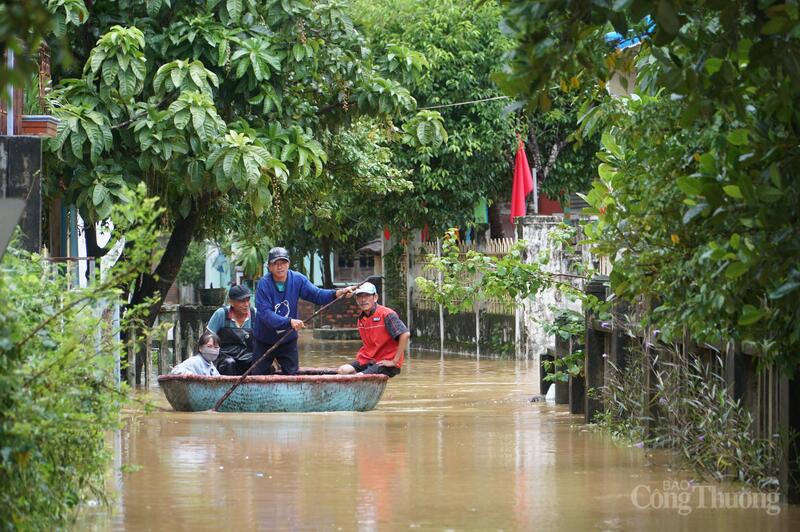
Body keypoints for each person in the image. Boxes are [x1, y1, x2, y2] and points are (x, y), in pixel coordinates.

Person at [251, 246, 354, 375]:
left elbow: (316, 295)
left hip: (287, 339)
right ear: (269, 267)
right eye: (275, 263)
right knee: (257, 377)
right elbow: (265, 314)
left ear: (289, 263)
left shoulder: (297, 279)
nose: (280, 267)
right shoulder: (264, 284)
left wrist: (338, 293)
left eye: (283, 263)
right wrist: (289, 322)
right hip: (264, 339)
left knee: (292, 376)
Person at [337, 282, 410, 378]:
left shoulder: (386, 314)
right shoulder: (361, 319)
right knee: (343, 370)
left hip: (385, 362)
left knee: (358, 377)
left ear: (375, 297)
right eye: (360, 296)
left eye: (367, 296)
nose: (363, 300)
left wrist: (394, 361)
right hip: (369, 359)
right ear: (356, 299)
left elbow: (405, 334)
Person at [206, 284, 256, 375]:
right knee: (229, 363)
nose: (246, 304)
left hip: (249, 357)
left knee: (259, 364)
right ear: (231, 302)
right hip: (224, 357)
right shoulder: (221, 314)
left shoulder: (255, 314)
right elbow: (208, 339)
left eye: (248, 300)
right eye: (242, 301)